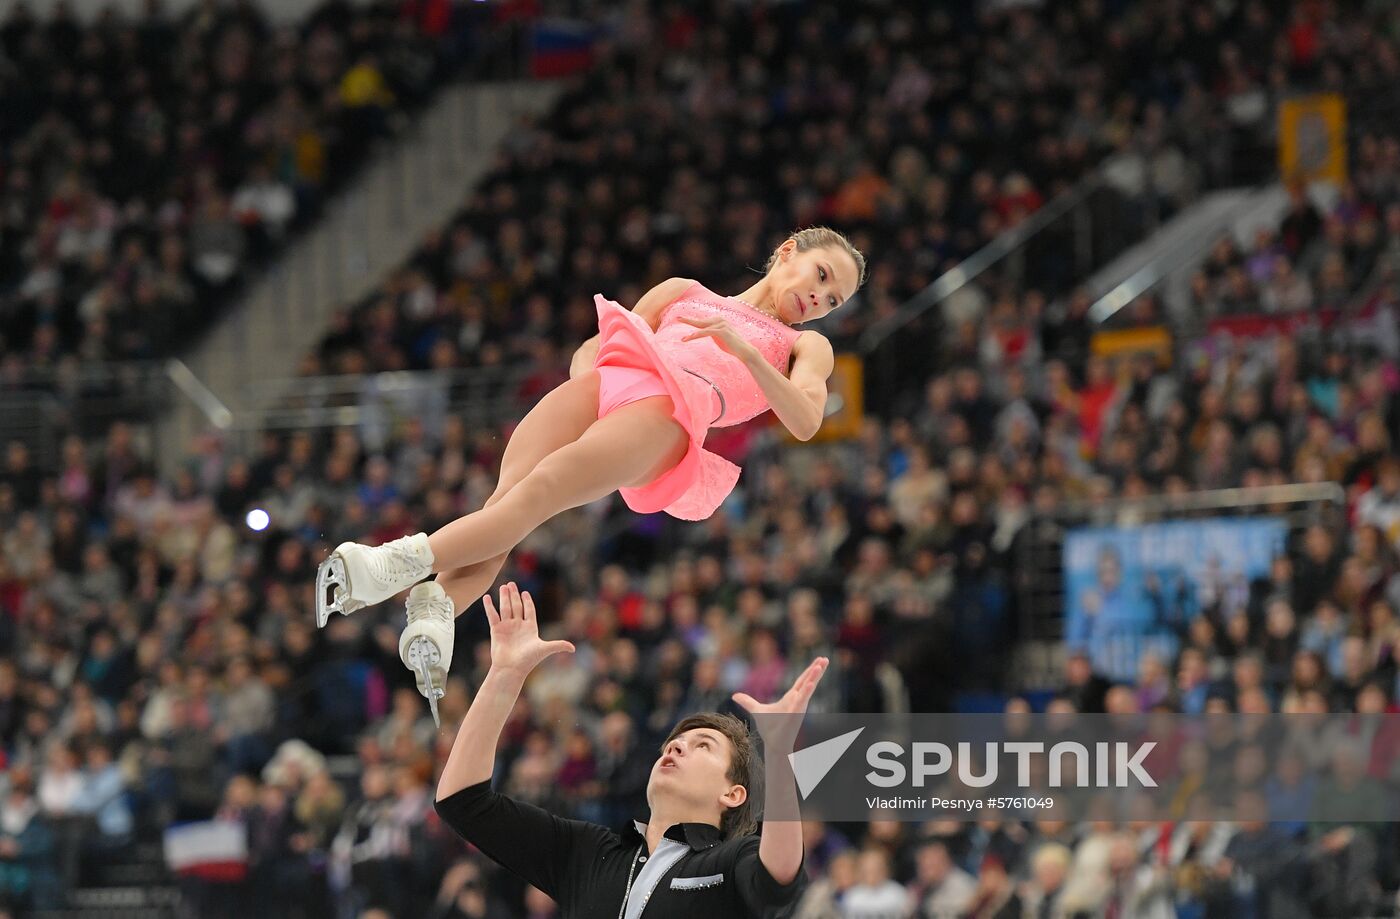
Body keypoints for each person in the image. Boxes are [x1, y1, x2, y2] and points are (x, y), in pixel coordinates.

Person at [315, 228, 865, 715]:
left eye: (832, 298)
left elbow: (806, 420)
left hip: (670, 414)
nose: (819, 298)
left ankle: (388, 564)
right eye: (821, 275)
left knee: (539, 494)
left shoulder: (805, 345)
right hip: (609, 387)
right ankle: (438, 607)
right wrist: (590, 379)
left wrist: (744, 352)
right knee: (506, 503)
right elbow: (600, 346)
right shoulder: (683, 292)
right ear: (788, 251)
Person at [433, 582, 826, 917]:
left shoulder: (732, 861)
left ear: (733, 793)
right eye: (675, 742)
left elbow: (780, 875)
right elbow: (462, 801)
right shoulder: (585, 853)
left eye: (702, 745)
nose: (676, 748)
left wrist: (777, 754)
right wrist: (504, 675)